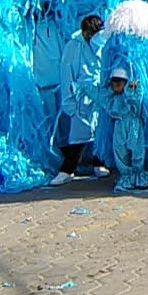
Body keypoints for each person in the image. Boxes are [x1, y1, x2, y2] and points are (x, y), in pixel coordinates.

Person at [50, 15, 109, 186]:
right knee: (79, 134)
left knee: (100, 130)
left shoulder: (102, 43)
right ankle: (68, 169)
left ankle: (99, 162)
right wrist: (69, 99)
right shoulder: (73, 46)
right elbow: (66, 73)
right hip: (81, 96)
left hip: (99, 94)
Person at [100, 67, 148, 191]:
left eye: (120, 82)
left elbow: (136, 101)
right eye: (114, 82)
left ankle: (138, 175)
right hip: (119, 126)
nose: (117, 85)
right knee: (120, 151)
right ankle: (126, 176)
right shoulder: (112, 99)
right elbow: (103, 99)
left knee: (137, 150)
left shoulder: (131, 94)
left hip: (134, 125)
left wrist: (131, 89)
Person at [30, 2, 67, 145]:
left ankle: (68, 152)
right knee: (49, 122)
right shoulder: (30, 28)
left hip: (60, 81)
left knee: (65, 120)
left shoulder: (55, 24)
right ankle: (54, 150)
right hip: (43, 83)